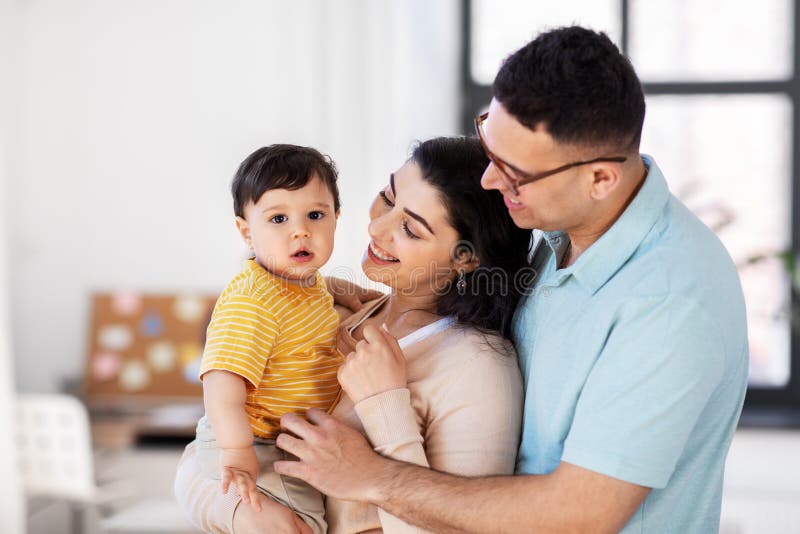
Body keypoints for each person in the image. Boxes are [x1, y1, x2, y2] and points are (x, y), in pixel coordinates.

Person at [274, 26, 749, 533]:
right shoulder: (553, 235)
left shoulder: (671, 301)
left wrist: (373, 477)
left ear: (599, 179)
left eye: (514, 171)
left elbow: (580, 514)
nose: (490, 181)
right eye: (489, 141)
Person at [175, 136, 533, 533]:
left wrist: (387, 408)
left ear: (466, 257)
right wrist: (241, 510)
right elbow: (197, 459)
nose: (376, 227)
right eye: (387, 196)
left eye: (410, 229)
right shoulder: (339, 311)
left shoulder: (479, 367)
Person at [174, 144, 343, 534]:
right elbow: (222, 382)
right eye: (278, 218)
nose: (301, 230)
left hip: (276, 438)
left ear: (337, 218)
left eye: (315, 215)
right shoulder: (254, 298)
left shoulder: (306, 284)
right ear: (247, 231)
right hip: (255, 441)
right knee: (300, 527)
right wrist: (237, 451)